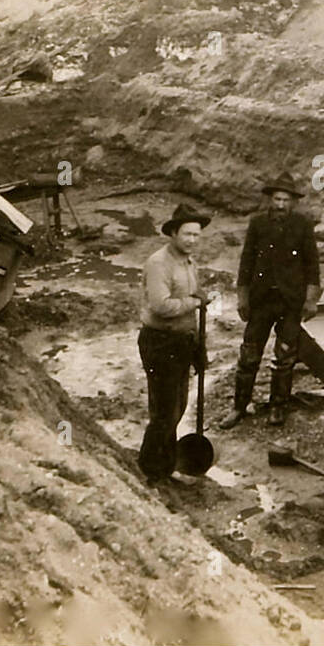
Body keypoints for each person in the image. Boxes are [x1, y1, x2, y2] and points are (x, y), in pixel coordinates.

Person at [220, 171, 320, 429]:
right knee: (249, 355)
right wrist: (242, 297)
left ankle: (278, 407)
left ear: (293, 202)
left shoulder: (303, 225)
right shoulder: (257, 224)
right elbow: (246, 262)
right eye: (277, 199)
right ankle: (239, 407)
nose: (280, 205)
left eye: (286, 200)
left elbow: (312, 265)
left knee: (285, 357)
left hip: (291, 302)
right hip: (261, 301)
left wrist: (310, 300)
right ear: (269, 200)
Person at [137, 202, 211, 482]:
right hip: (159, 342)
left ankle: (165, 466)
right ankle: (149, 471)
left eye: (196, 235)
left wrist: (197, 345)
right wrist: (194, 302)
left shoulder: (189, 262)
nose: (192, 240)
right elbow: (160, 305)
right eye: (187, 234)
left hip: (181, 342)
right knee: (164, 412)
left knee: (177, 407)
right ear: (173, 234)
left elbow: (190, 296)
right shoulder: (159, 263)